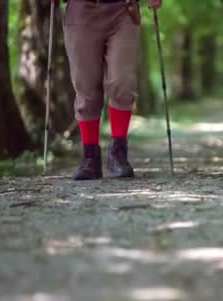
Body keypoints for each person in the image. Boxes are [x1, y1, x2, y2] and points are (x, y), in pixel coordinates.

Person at [63, 0, 162, 180]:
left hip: (124, 9)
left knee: (121, 81)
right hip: (80, 11)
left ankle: (118, 154)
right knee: (86, 85)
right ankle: (90, 158)